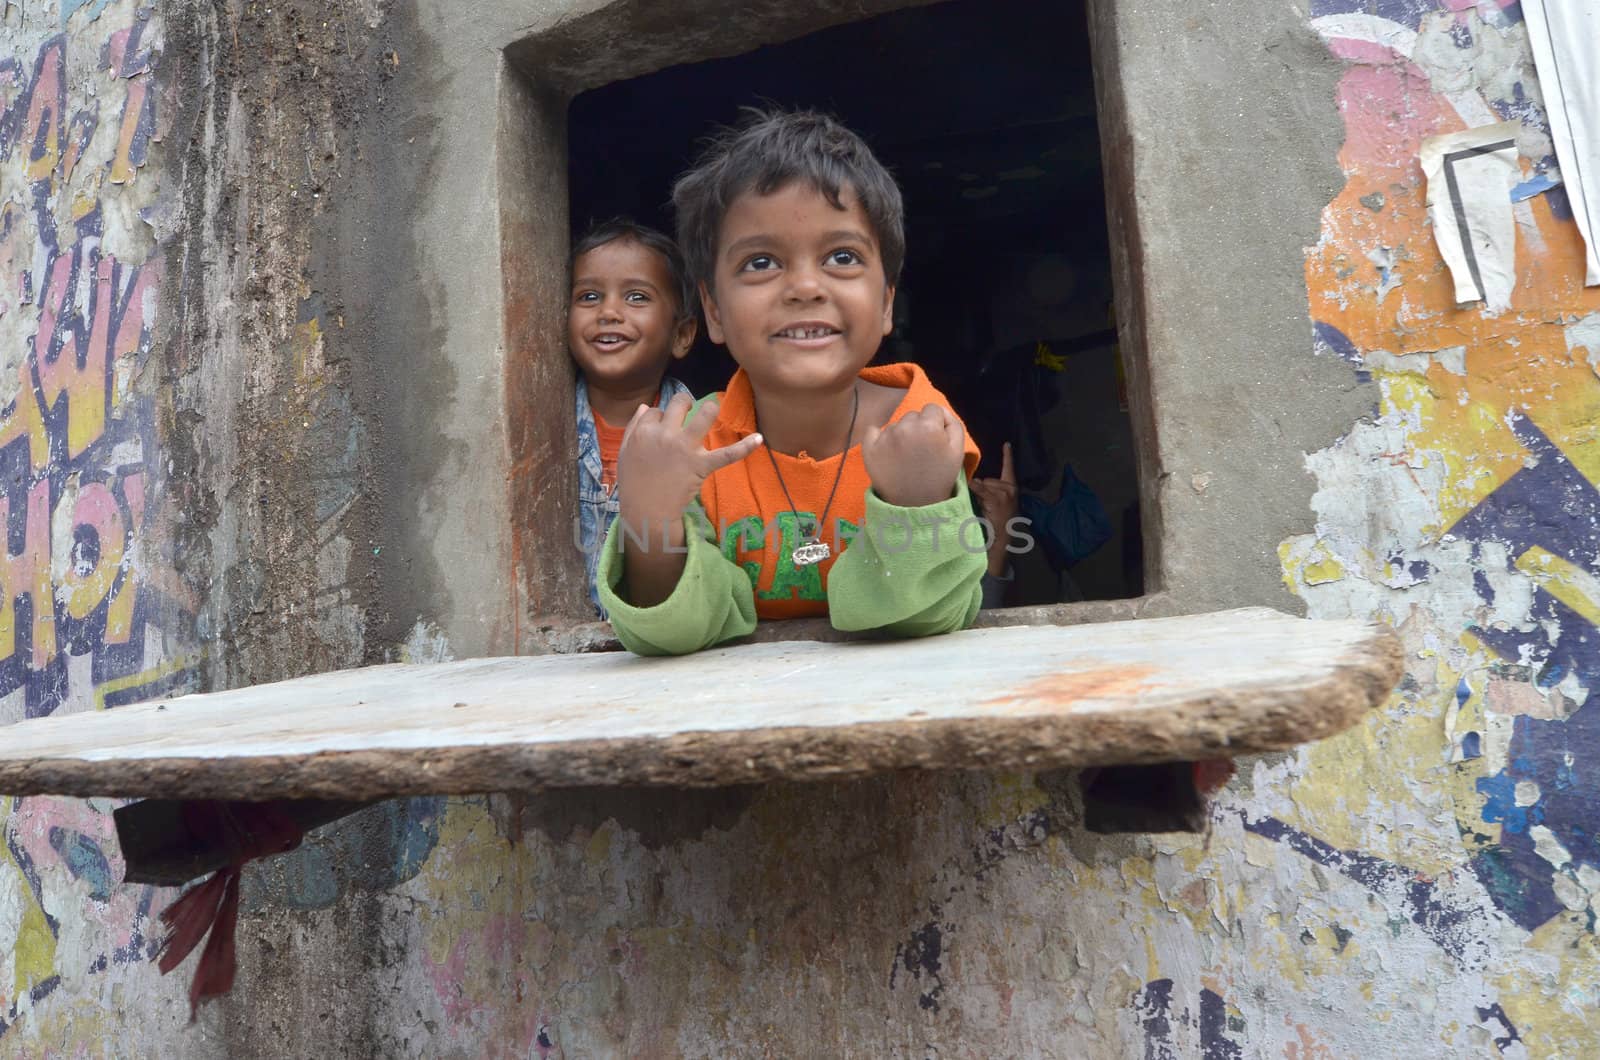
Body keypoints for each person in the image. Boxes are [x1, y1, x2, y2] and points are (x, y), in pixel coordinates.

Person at [595, 108, 987, 655]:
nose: (805, 286)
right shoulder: (692, 446)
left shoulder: (922, 428)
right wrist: (651, 514)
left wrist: (918, 503)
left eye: (842, 257)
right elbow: (675, 633)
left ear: (887, 302)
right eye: (760, 263)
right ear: (712, 310)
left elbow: (938, 616)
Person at [569, 220, 697, 618]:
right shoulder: (538, 427)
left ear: (681, 335)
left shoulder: (698, 432)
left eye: (637, 297)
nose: (609, 312)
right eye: (589, 296)